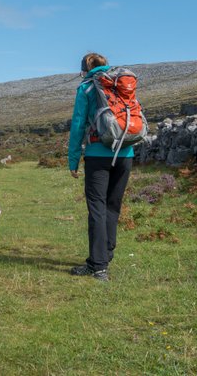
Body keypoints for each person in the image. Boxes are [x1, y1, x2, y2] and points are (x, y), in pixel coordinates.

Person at [68, 53, 134, 282]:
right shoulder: (120, 85)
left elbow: (77, 125)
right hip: (126, 153)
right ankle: (104, 256)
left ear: (84, 70)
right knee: (112, 207)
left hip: (98, 155)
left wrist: (73, 160)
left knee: (97, 208)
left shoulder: (86, 88)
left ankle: (98, 266)